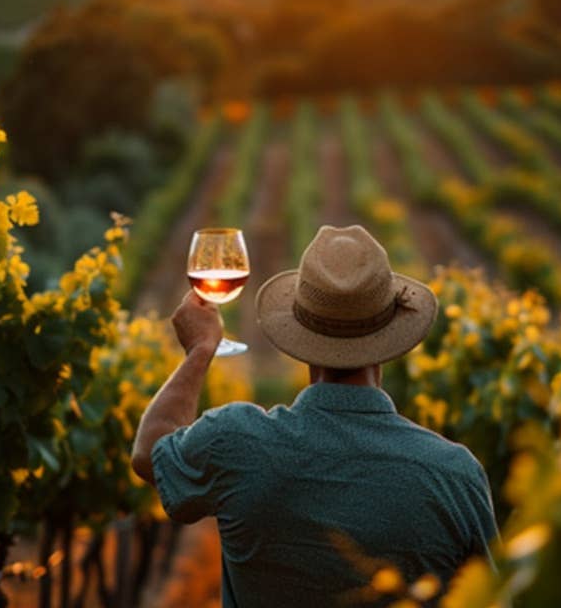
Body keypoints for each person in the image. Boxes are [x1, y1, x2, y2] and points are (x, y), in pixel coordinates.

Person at [132, 225, 498, 607]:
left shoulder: (235, 442)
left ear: (299, 331)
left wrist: (200, 351)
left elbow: (149, 452)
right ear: (391, 337)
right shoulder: (454, 475)